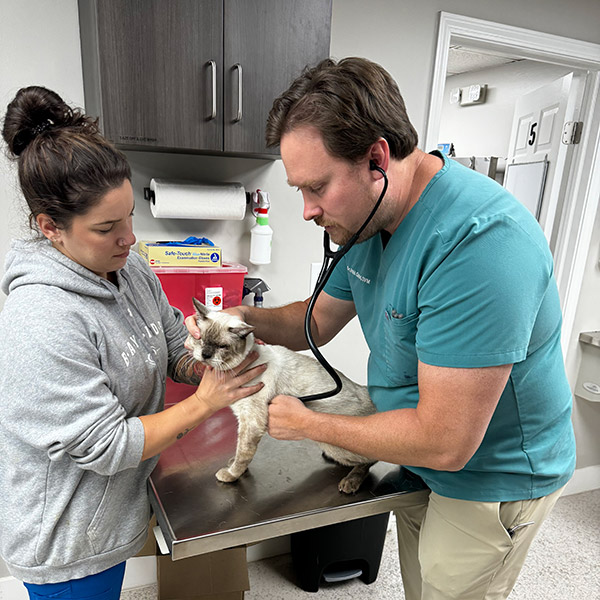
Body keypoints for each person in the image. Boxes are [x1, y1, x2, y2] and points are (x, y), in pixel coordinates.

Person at [187, 57, 576, 600]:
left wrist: (307, 424)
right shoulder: (368, 222)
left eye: (317, 187)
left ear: (377, 158)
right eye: (299, 190)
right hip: (417, 456)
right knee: (419, 587)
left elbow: (446, 442)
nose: (307, 211)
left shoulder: (480, 245)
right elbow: (316, 322)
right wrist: (242, 320)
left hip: (490, 473)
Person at [0, 86, 266, 600]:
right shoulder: (41, 318)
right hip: (67, 539)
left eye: (129, 218)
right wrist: (207, 403)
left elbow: (171, 344)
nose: (129, 238)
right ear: (50, 228)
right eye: (107, 227)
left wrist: (209, 363)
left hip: (112, 510)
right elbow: (104, 445)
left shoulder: (132, 269)